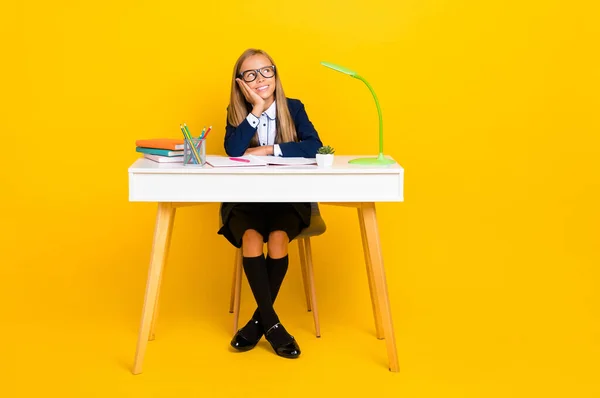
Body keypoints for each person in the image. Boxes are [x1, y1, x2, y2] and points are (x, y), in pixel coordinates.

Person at [217, 48, 323, 359]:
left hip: (287, 201)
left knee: (278, 239)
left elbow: (314, 146)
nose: (260, 79)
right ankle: (273, 324)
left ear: (275, 73)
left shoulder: (294, 108)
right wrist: (257, 108)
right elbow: (233, 149)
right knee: (250, 237)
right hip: (245, 202)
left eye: (266, 71)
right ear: (241, 84)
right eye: (250, 75)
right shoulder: (237, 114)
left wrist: (267, 150)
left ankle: (257, 322)